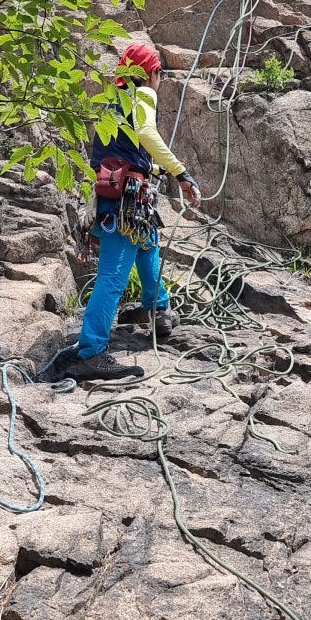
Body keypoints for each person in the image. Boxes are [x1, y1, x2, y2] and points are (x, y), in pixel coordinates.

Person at [52, 41, 201, 383]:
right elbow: (147, 133)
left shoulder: (112, 104)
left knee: (147, 247)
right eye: (159, 73)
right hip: (127, 201)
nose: (159, 79)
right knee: (114, 276)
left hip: (122, 197)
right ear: (151, 73)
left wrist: (155, 170)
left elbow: (124, 151)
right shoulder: (143, 95)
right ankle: (91, 352)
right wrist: (180, 173)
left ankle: (158, 309)